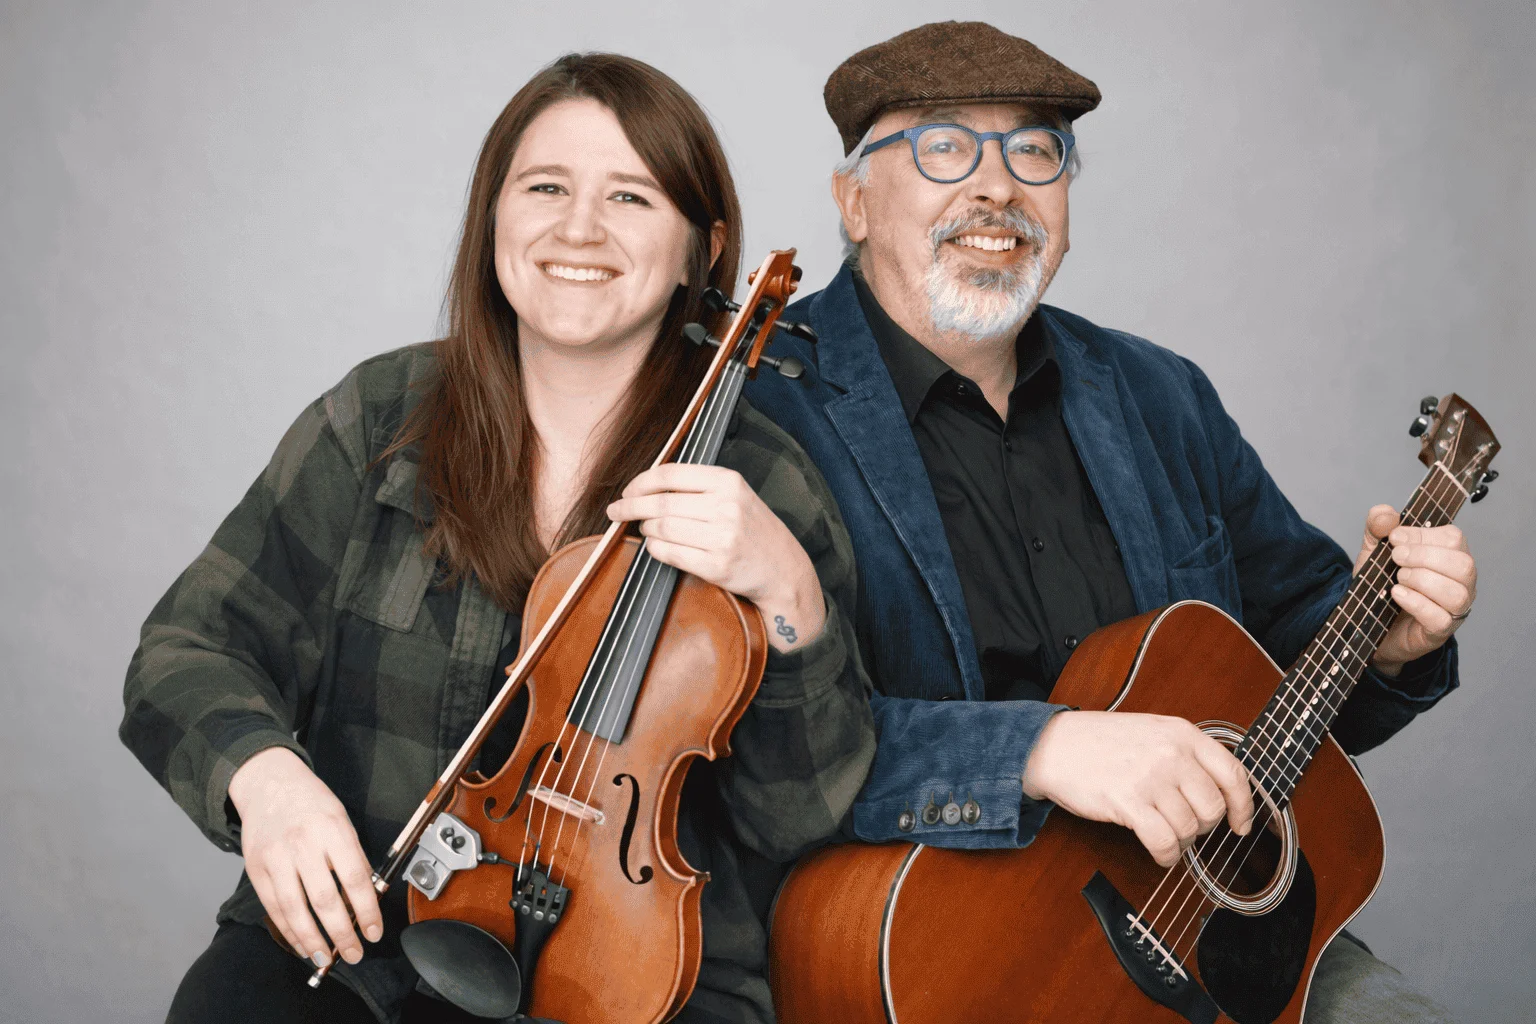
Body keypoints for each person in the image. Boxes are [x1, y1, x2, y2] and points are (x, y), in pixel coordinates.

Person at [121, 52, 874, 1024]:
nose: (578, 227)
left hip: (632, 985)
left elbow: (803, 817)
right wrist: (264, 782)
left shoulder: (761, 483)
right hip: (366, 940)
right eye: (546, 186)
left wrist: (791, 598)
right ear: (494, 220)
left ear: (700, 248)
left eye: (632, 198)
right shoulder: (379, 417)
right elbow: (188, 649)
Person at [744, 21, 1474, 1023]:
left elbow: (1283, 672)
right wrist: (1044, 749)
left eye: (1035, 150)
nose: (997, 188)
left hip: (1201, 936)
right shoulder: (758, 407)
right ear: (855, 200)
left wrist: (1388, 645)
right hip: (934, 963)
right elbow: (753, 747)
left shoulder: (1160, 393)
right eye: (945, 147)